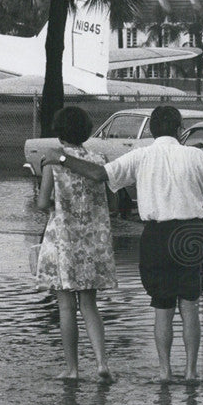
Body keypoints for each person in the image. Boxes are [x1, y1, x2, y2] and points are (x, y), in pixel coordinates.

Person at [45, 106, 203, 382]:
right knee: (190, 306)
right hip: (191, 233)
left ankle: (165, 373)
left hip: (156, 235)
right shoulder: (195, 155)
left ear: (152, 130)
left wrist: (60, 157)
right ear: (179, 130)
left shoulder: (141, 156)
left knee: (162, 307)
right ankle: (191, 372)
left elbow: (98, 175)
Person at [35, 106, 116, 381]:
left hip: (64, 239)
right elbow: (110, 199)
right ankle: (102, 363)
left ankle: (72, 368)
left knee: (66, 306)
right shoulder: (98, 158)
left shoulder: (54, 161)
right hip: (93, 238)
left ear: (59, 133)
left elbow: (43, 202)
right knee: (90, 304)